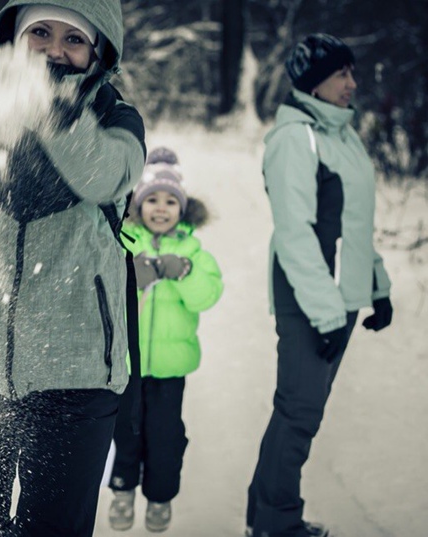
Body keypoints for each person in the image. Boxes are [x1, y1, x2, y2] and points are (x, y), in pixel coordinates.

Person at [0, 1, 147, 535]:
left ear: (98, 55)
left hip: (74, 369)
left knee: (52, 526)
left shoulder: (116, 120)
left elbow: (105, 176)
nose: (53, 50)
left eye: (74, 39)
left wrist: (51, 109)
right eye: (40, 32)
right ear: (13, 40)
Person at [245, 33, 393, 537]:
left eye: (352, 72)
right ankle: (276, 525)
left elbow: (354, 223)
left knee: (297, 412)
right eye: (341, 74)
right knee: (299, 414)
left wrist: (377, 285)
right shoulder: (296, 140)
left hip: (338, 296)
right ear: (313, 81)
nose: (352, 83)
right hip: (311, 299)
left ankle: (264, 518)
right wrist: (327, 312)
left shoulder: (342, 137)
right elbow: (295, 233)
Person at [106, 148, 224, 532]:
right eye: (151, 200)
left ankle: (160, 497)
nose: (161, 208)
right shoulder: (124, 242)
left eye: (170, 201)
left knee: (165, 437)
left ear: (182, 208)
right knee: (125, 433)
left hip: (171, 371)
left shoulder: (192, 250)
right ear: (137, 205)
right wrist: (129, 277)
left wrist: (186, 272)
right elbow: (104, 291)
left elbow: (208, 294)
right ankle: (123, 490)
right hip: (126, 366)